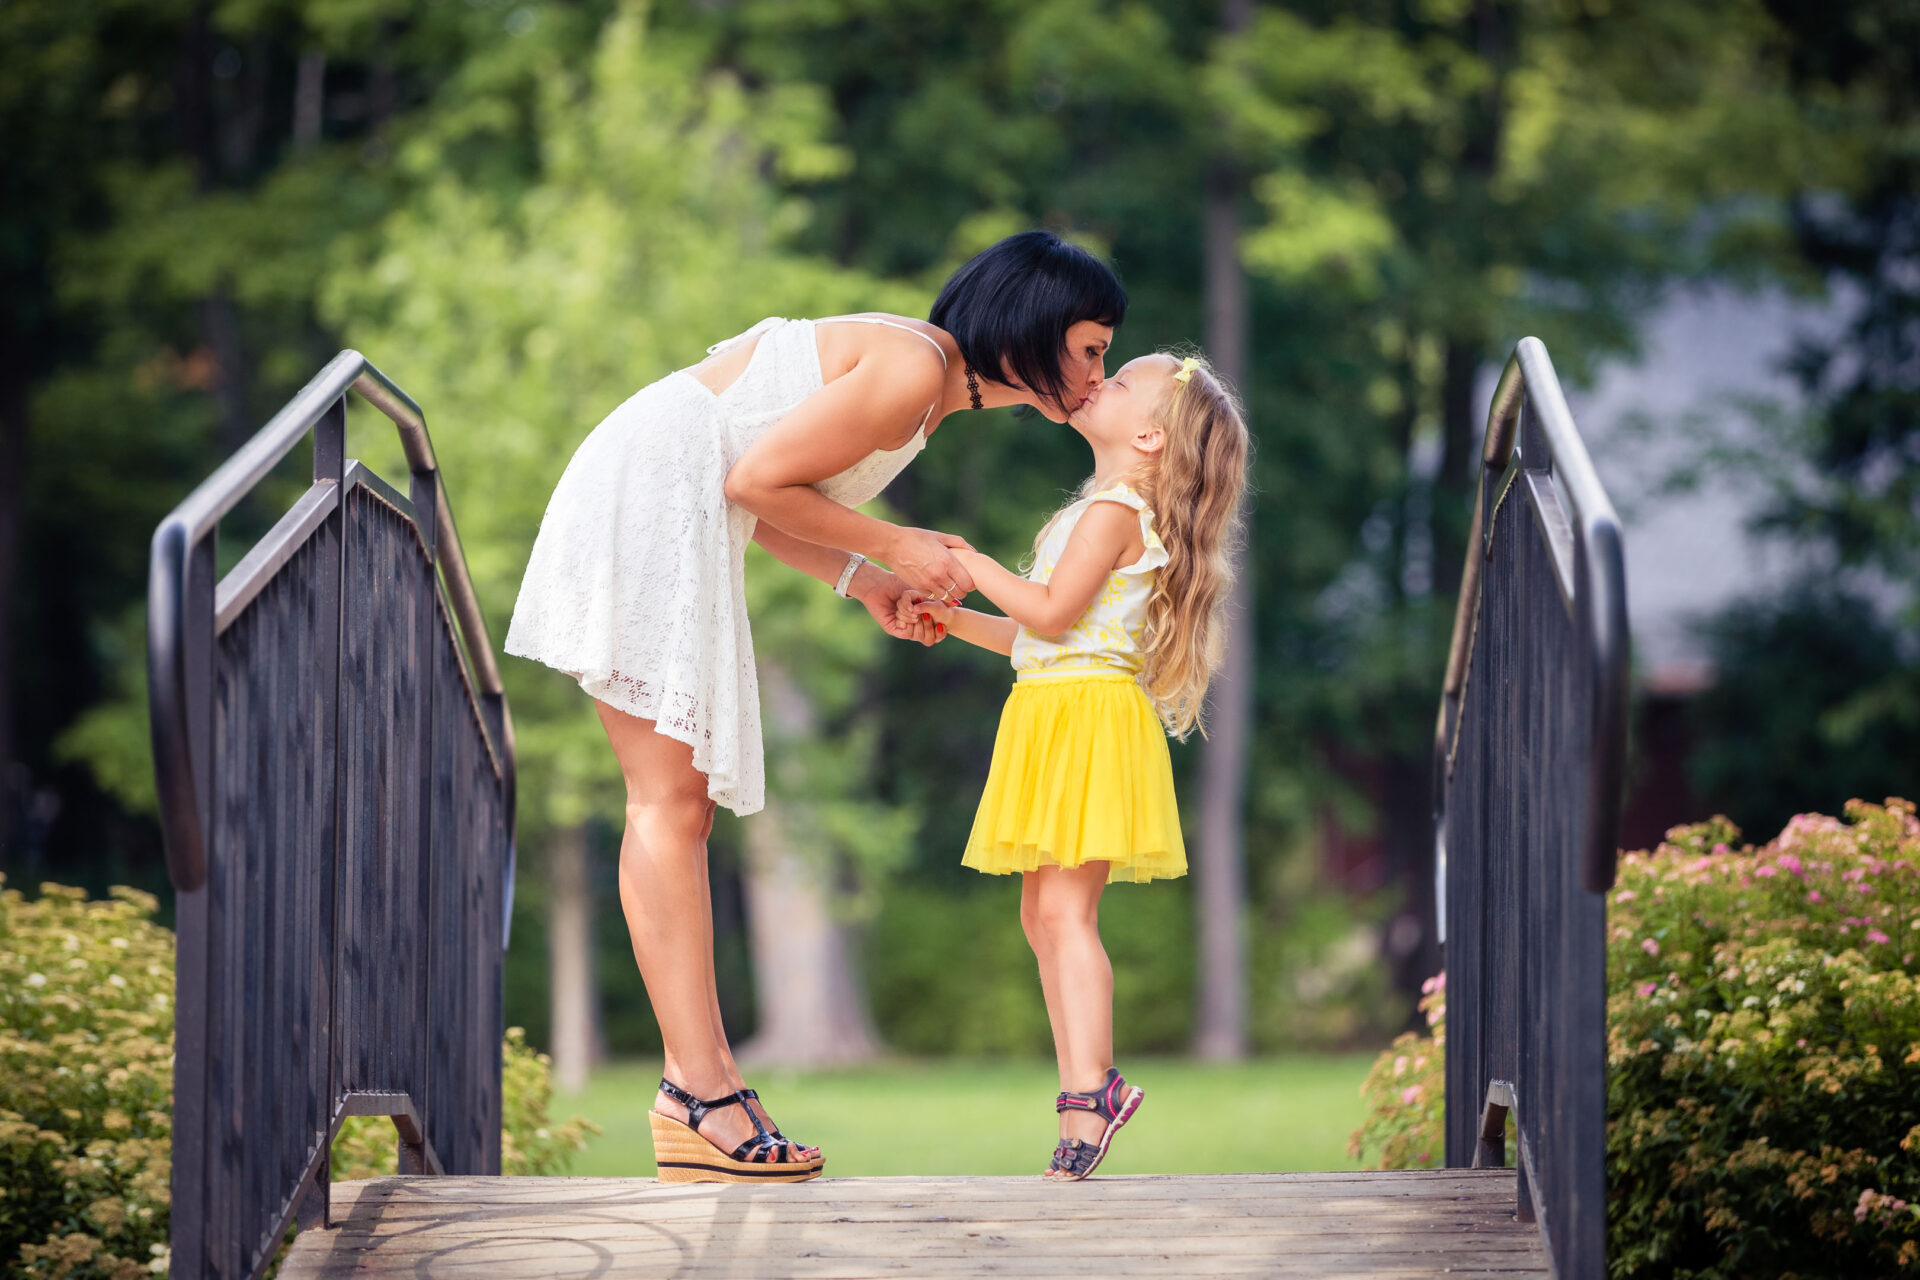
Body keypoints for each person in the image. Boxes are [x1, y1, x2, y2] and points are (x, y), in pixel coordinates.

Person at [503, 231, 1126, 1183]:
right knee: (665, 805)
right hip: (651, 494)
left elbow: (766, 495)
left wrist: (864, 579)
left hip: (679, 501)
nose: (1096, 375)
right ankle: (698, 1093)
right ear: (1033, 325)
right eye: (1089, 348)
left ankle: (699, 1084)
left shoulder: (926, 380)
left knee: (682, 806)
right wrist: (900, 544)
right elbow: (750, 481)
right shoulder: (917, 370)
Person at [901, 351, 1250, 1180]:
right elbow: (1035, 635)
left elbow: (1051, 616)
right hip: (1054, 709)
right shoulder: (1092, 510)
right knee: (1042, 916)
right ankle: (1084, 1086)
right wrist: (948, 620)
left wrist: (967, 562)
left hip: (1087, 717)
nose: (1101, 380)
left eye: (1121, 380)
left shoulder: (1117, 511)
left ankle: (1090, 1093)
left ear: (1150, 437)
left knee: (1066, 915)